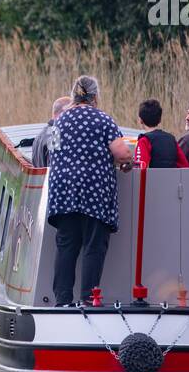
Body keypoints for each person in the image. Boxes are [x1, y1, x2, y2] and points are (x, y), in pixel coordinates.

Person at [47, 76, 133, 307]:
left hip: (63, 190)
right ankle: (88, 299)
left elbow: (54, 153)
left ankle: (62, 300)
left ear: (73, 95)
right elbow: (123, 154)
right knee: (94, 245)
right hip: (94, 191)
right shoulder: (103, 120)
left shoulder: (59, 121)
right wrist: (127, 162)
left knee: (66, 245)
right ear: (95, 97)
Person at [133, 98, 188, 169]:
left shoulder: (144, 141)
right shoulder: (171, 139)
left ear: (140, 120)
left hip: (153, 179)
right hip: (172, 179)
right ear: (160, 120)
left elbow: (140, 168)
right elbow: (184, 166)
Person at [31, 96, 72, 167]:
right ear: (65, 112)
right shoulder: (55, 135)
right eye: (72, 112)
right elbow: (54, 167)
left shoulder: (41, 134)